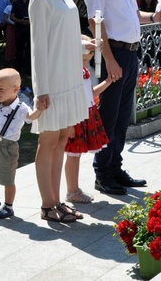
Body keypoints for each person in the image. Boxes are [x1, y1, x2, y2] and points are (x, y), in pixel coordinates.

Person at [82, 0, 161, 196]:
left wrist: (154, 17)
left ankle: (115, 167)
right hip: (114, 52)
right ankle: (103, 172)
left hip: (129, 51)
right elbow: (95, 22)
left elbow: (132, 14)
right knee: (109, 114)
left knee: (122, 116)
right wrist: (109, 60)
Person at [28, 0, 92, 222]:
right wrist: (41, 91)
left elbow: (65, 38)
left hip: (70, 78)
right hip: (52, 82)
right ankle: (47, 204)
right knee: (49, 140)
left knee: (64, 137)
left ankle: (57, 201)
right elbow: (39, 49)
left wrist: (85, 46)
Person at [0, 68, 42, 220]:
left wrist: (39, 109)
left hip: (7, 147)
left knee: (7, 180)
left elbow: (31, 117)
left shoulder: (21, 108)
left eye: (1, 90)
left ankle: (8, 206)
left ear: (15, 89)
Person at [64, 36, 112, 204]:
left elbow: (90, 94)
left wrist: (108, 81)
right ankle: (71, 190)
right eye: (83, 59)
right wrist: (70, 124)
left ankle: (74, 189)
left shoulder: (84, 72)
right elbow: (69, 99)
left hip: (86, 115)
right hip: (76, 117)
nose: (85, 62)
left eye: (88, 59)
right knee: (73, 155)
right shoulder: (70, 75)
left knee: (76, 155)